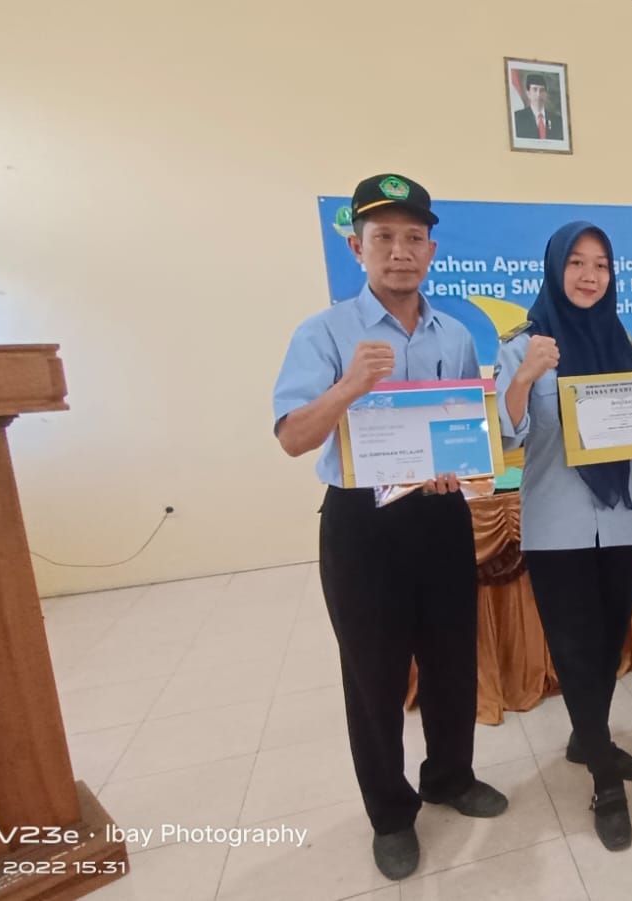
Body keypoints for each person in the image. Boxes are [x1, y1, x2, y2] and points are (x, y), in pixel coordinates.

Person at [272, 174, 507, 881]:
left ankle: (451, 776)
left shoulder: (456, 333)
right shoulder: (322, 334)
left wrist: (459, 470)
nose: (399, 251)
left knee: (451, 657)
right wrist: (349, 385)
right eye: (383, 238)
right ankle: (390, 813)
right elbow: (290, 436)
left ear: (431, 249)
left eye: (412, 238)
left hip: (438, 516)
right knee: (372, 674)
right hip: (361, 525)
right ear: (356, 246)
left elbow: (467, 430)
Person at [494, 222, 632, 851]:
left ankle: (587, 735)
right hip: (557, 522)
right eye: (577, 264)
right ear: (555, 269)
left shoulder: (624, 340)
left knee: (609, 639)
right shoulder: (522, 344)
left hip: (622, 518)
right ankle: (604, 776)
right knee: (575, 645)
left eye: (602, 265)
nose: (589, 276)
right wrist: (526, 377)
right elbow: (507, 440)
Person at [513, 73, 564, 141]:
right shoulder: (517, 118)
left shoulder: (558, 120)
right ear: (528, 93)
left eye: (542, 90)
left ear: (546, 94)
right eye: (535, 89)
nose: (538, 94)